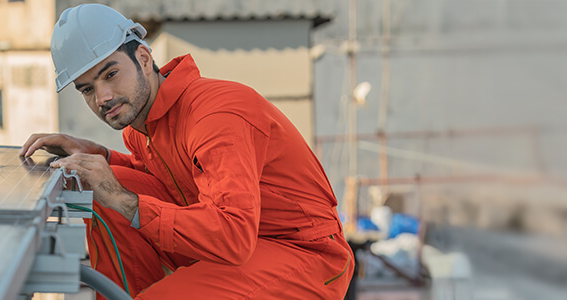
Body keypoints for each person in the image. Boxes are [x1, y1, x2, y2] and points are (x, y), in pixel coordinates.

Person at [18, 4, 353, 299]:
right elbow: (162, 179)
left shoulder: (215, 116)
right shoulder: (144, 129)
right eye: (88, 89)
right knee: (106, 183)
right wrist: (99, 158)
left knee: (117, 194)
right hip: (232, 248)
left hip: (303, 254)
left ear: (144, 58)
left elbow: (233, 235)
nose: (102, 97)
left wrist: (120, 196)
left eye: (111, 74)